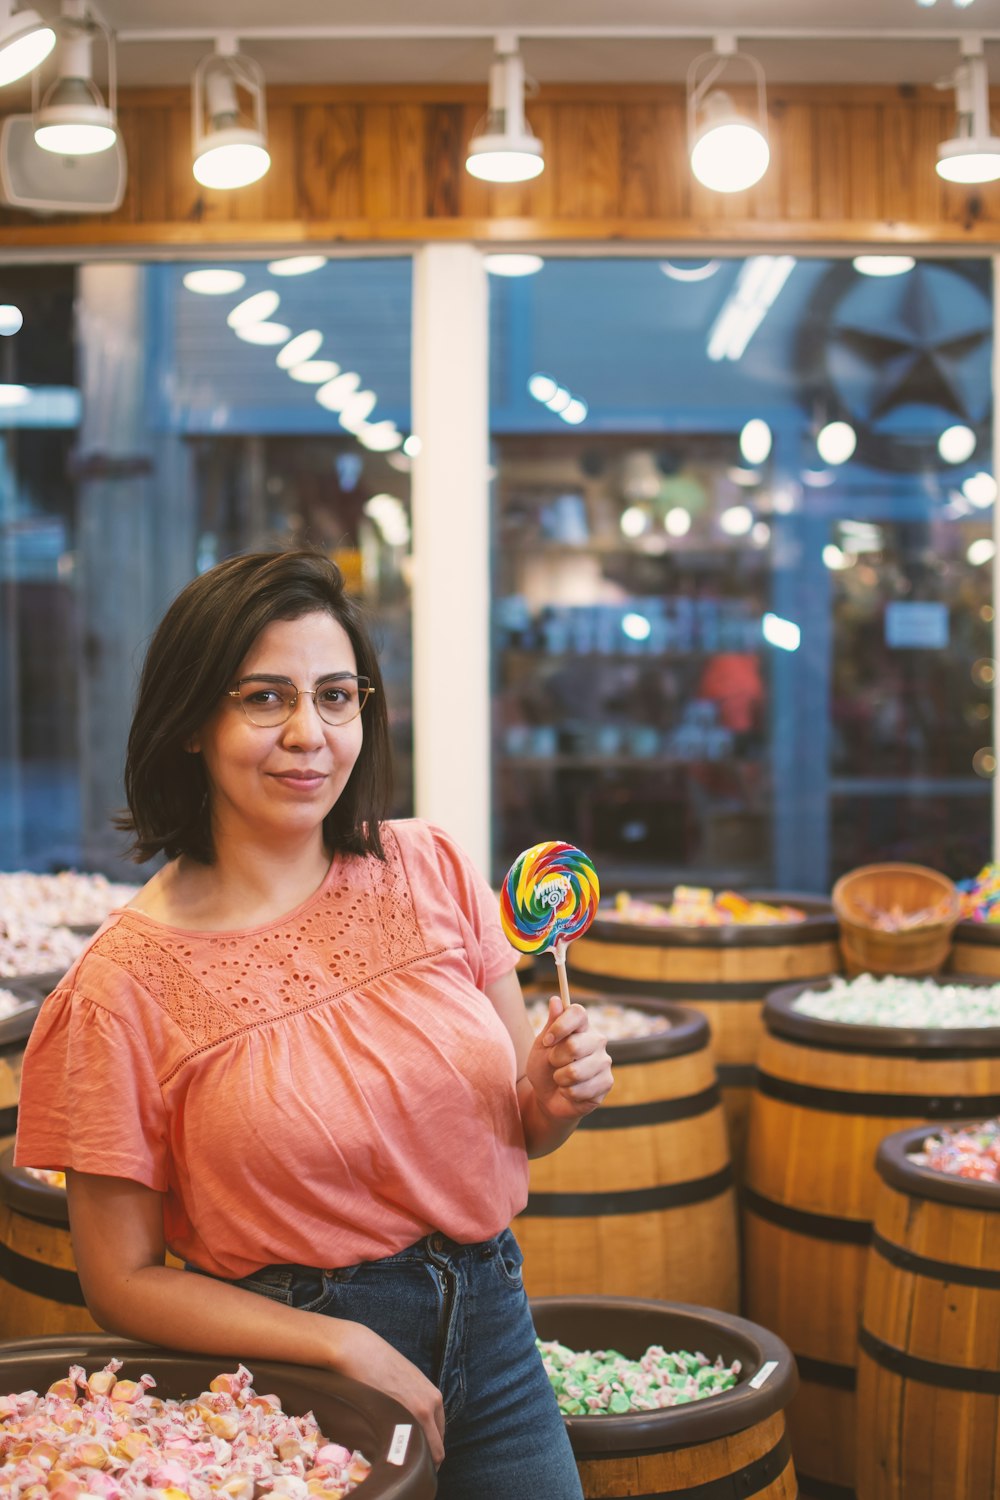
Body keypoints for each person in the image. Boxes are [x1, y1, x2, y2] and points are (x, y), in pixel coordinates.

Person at [15, 549, 614, 1500]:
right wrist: (339, 1342)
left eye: (337, 696)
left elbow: (521, 1128)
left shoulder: (432, 869)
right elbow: (120, 1278)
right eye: (264, 698)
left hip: (497, 1336)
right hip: (298, 1378)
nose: (310, 733)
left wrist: (554, 1098)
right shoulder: (117, 990)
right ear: (190, 725)